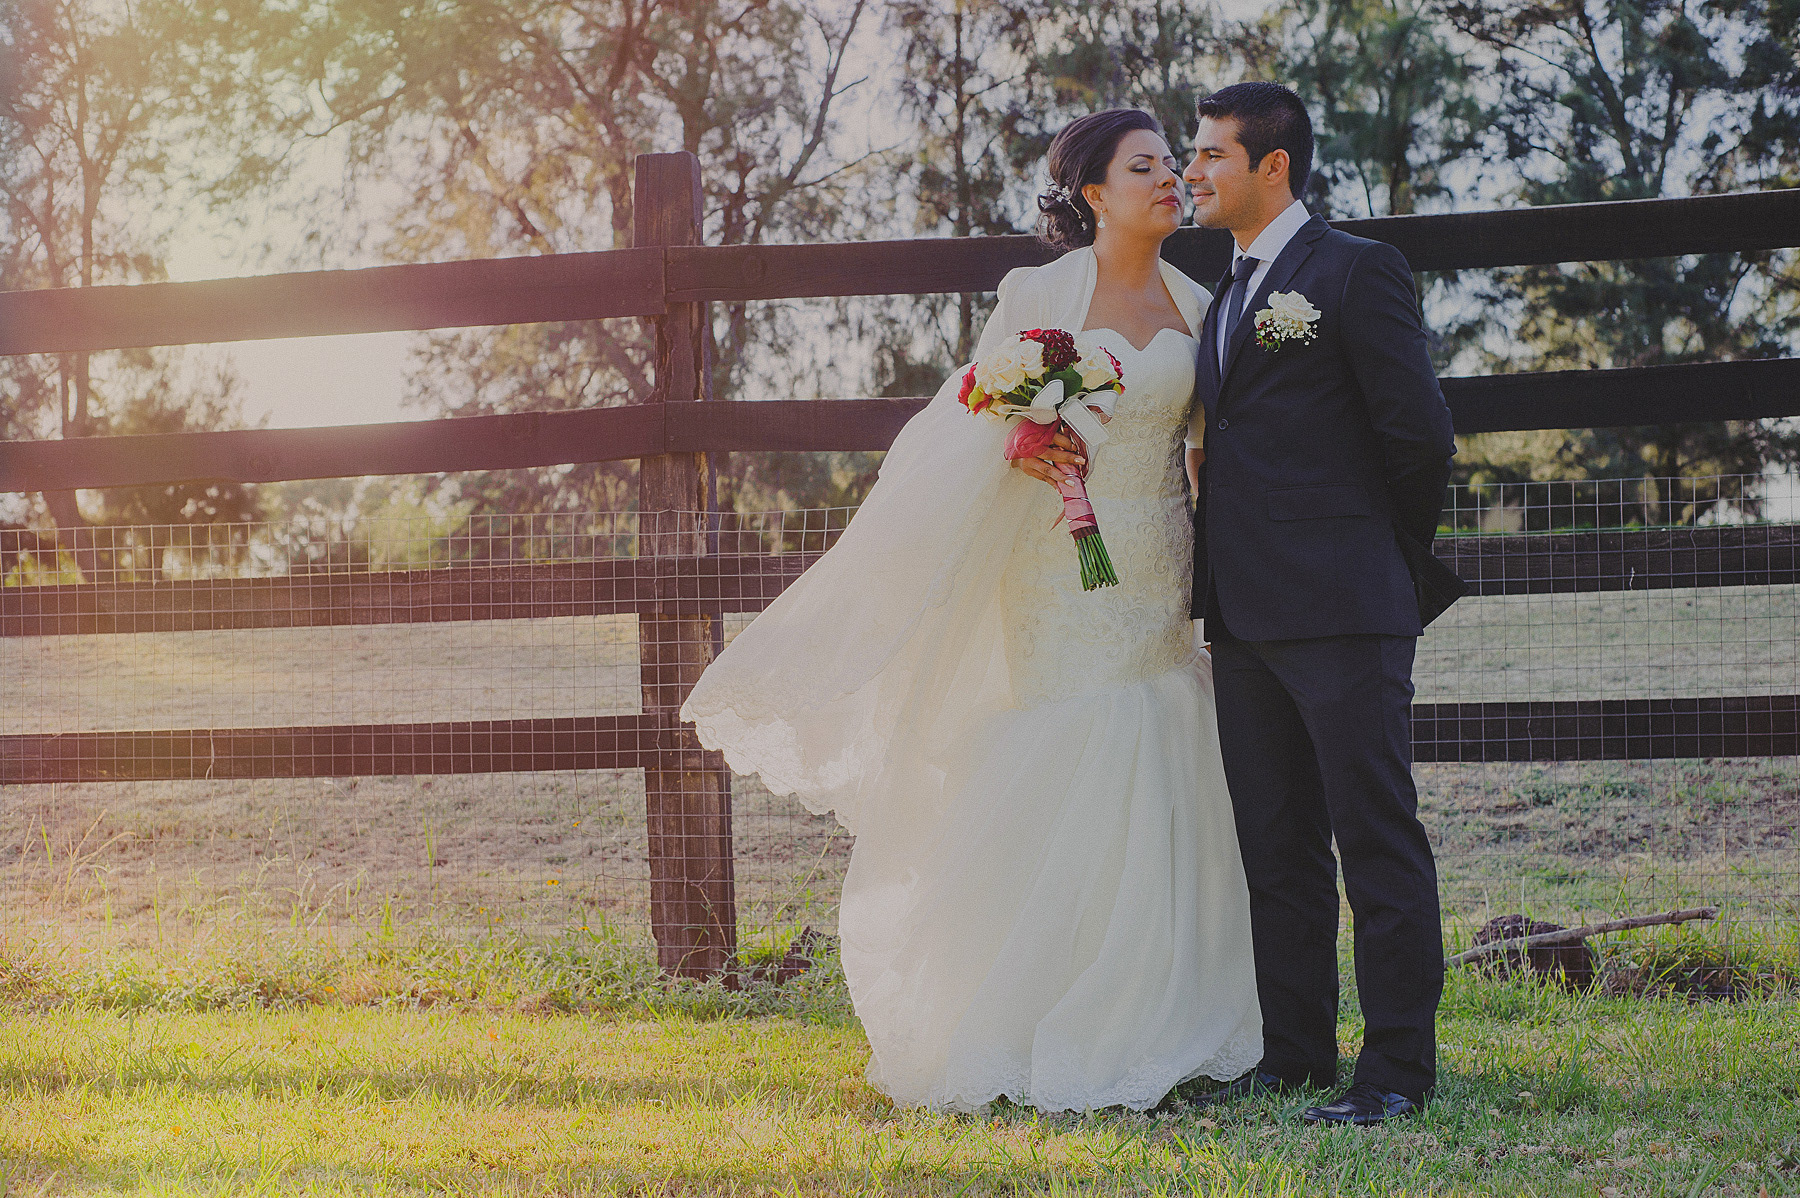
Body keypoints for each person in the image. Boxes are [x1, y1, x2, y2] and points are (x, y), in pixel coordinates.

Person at [682, 109, 1262, 1112]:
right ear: (1092, 192)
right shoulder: (1039, 295)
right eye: (1145, 166)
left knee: (1161, 726)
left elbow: (1215, 443)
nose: (1170, 178)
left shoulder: (1201, 302)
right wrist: (1029, 441)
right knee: (1068, 735)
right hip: (1048, 559)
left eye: (1175, 163)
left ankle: (1159, 1013)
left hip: (1157, 552)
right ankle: (1027, 1009)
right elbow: (982, 413)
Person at [1180, 81, 1458, 1126]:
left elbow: (1419, 436)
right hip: (1242, 616)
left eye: (1210, 154)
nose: (1194, 171)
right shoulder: (1227, 291)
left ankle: (1394, 1073)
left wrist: (1378, 556)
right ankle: (1294, 1053)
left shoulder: (1355, 271)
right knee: (1278, 847)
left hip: (1345, 604)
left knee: (1377, 841)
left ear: (1272, 167)